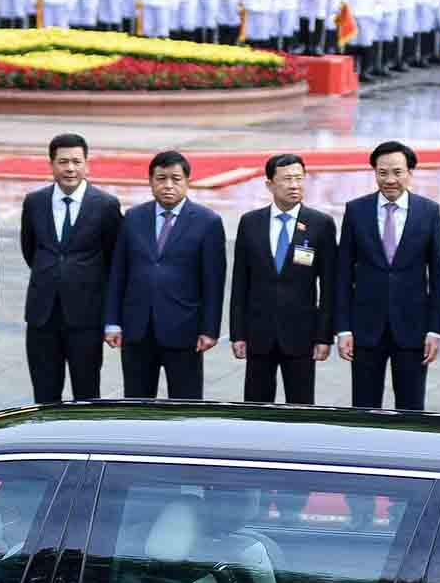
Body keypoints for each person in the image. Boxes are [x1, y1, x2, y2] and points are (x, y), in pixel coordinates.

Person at [104, 150, 227, 400]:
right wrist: (113, 322)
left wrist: (210, 329)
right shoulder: (133, 217)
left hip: (184, 330)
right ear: (151, 182)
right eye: (161, 178)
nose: (168, 185)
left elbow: (214, 281)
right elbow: (119, 272)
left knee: (185, 404)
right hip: (137, 329)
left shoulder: (208, 222)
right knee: (137, 403)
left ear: (187, 182)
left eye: (175, 178)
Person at [335, 141, 440, 411]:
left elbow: (438, 275)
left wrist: (435, 329)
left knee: (411, 408)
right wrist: (343, 328)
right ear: (374, 172)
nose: (390, 180)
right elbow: (342, 273)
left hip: (413, 328)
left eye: (397, 172)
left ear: (410, 172)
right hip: (365, 327)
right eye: (382, 172)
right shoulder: (356, 210)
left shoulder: (428, 212)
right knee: (364, 407)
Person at [20, 133, 121, 405]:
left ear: (87, 164)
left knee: (87, 395)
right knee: (44, 394)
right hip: (43, 315)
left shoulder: (105, 206)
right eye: (63, 161)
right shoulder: (34, 202)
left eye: (76, 161)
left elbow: (114, 262)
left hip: (86, 318)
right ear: (51, 164)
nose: (70, 168)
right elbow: (30, 250)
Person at [228, 153, 336, 405]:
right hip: (258, 333)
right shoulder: (250, 223)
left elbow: (329, 286)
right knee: (255, 406)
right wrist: (238, 333)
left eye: (299, 178)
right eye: (287, 179)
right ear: (269, 184)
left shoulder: (321, 224)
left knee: (301, 407)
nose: (294, 185)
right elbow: (240, 283)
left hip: (301, 336)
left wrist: (323, 336)